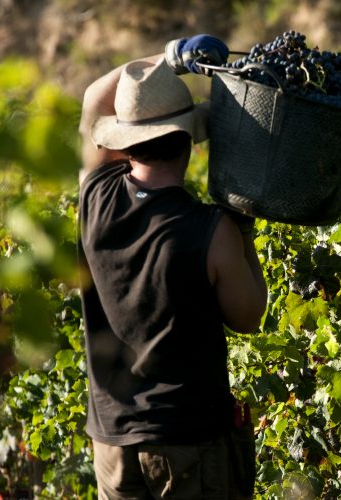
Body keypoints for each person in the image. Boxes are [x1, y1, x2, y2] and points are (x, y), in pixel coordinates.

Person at [77, 34, 267, 499]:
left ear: (125, 141)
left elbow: (92, 99)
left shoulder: (94, 196)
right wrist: (244, 230)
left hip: (111, 440)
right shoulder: (212, 230)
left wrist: (167, 58)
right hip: (187, 443)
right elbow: (249, 316)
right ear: (189, 142)